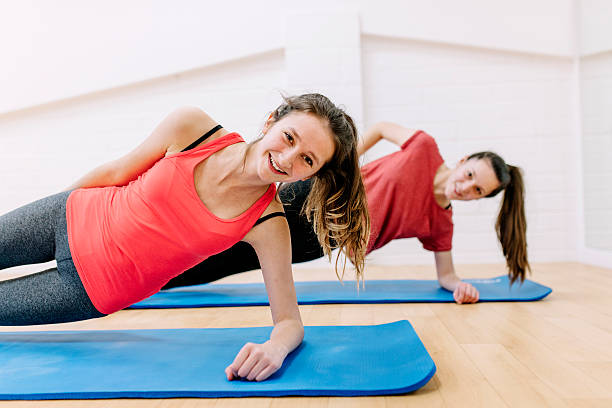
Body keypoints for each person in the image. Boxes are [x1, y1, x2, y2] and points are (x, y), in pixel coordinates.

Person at [0, 93, 369, 382]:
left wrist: (275, 348)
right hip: (68, 216)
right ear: (271, 120)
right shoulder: (193, 127)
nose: (288, 158)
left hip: (93, 288)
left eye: (307, 160)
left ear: (310, 174)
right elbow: (115, 171)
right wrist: (53, 206)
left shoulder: (269, 223)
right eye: (289, 137)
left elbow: (289, 321)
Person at [164, 122, 529, 304]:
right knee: (220, 232)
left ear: (479, 198)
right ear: (464, 161)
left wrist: (460, 287)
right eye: (470, 176)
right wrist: (346, 164)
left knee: (233, 262)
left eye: (477, 190)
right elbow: (383, 128)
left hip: (323, 239)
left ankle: (155, 285)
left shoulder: (441, 224)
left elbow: (446, 275)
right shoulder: (424, 148)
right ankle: (152, 262)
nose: (465, 188)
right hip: (313, 194)